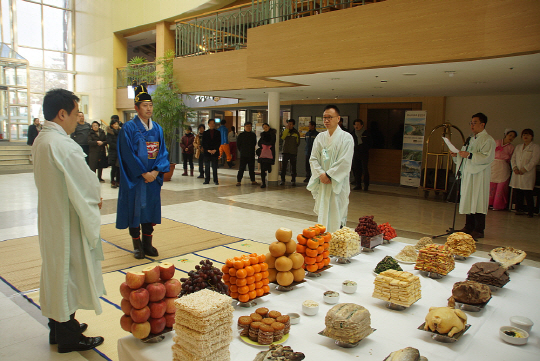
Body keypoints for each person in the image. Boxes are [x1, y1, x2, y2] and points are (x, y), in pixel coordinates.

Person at [32, 88, 104, 353]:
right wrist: (95, 200)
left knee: (55, 270)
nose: (78, 119)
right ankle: (67, 335)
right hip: (67, 218)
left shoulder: (43, 139)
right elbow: (85, 183)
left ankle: (59, 324)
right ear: (62, 114)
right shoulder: (62, 143)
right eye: (75, 113)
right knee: (68, 272)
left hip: (53, 216)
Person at [116, 82, 170, 259]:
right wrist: (142, 173)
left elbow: (162, 152)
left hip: (152, 178)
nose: (149, 108)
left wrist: (155, 172)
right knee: (135, 210)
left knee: (150, 211)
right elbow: (127, 154)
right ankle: (137, 245)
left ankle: (148, 243)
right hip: (136, 178)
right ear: (136, 108)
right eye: (145, 105)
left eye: (150, 105)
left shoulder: (158, 129)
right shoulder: (129, 128)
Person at [307, 105, 354, 232]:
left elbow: (345, 161)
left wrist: (329, 175)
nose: (326, 120)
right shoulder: (320, 137)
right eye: (324, 118)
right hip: (323, 182)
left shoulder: (347, 138)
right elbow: (313, 158)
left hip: (337, 182)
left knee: (337, 210)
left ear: (338, 118)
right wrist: (321, 174)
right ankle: (323, 239)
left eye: (330, 117)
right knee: (323, 212)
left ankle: (336, 240)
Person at [450, 112, 496, 239]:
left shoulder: (488, 140)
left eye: (475, 123)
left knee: (478, 199)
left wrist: (470, 155)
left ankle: (479, 229)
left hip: (479, 175)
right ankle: (468, 226)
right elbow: (465, 155)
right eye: (471, 123)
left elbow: (487, 157)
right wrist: (457, 155)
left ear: (483, 124)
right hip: (469, 174)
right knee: (469, 198)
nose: (472, 125)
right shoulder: (471, 138)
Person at [510, 129, 540, 218]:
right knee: (517, 191)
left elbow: (534, 160)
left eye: (527, 135)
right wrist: (514, 168)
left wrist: (524, 169)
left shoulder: (535, 147)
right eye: (524, 135)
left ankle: (530, 211)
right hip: (517, 172)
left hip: (527, 173)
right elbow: (513, 158)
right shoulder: (518, 146)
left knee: (528, 193)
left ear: (532, 136)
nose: (525, 137)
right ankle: (519, 209)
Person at [489, 129, 517, 210]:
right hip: (493, 165)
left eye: (513, 137)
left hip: (503, 166)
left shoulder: (511, 147)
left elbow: (511, 158)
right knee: (491, 186)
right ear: (506, 134)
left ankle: (498, 205)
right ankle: (488, 203)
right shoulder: (496, 142)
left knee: (501, 187)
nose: (511, 137)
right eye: (510, 135)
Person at [351, 119, 371, 191]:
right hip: (355, 154)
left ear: (362, 125)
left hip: (364, 154)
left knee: (365, 170)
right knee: (356, 169)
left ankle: (366, 185)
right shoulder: (352, 134)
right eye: (355, 124)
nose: (356, 126)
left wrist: (363, 148)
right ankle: (358, 184)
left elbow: (369, 144)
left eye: (358, 124)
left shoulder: (366, 133)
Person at [236, 122, 259, 186]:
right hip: (243, 154)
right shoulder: (241, 135)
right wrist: (242, 151)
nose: (249, 127)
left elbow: (254, 143)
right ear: (244, 127)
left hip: (251, 154)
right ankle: (239, 181)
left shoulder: (253, 135)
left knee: (251, 168)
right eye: (247, 126)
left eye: (250, 126)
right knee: (241, 168)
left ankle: (253, 180)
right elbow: (238, 144)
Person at [280, 119, 300, 186]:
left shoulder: (296, 133)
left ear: (293, 125)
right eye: (288, 124)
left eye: (290, 124)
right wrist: (286, 130)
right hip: (285, 151)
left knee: (293, 167)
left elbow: (298, 142)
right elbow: (282, 137)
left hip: (293, 152)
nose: (289, 125)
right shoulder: (285, 131)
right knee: (284, 167)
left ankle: (293, 180)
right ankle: (282, 180)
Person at [257, 123, 276, 189]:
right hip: (263, 154)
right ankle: (263, 182)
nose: (265, 128)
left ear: (269, 127)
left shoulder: (272, 134)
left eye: (266, 127)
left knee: (268, 167)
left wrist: (264, 143)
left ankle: (268, 168)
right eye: (264, 127)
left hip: (269, 154)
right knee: (262, 169)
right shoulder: (262, 134)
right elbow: (259, 143)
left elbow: (272, 142)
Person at [202, 118, 221, 185]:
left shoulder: (218, 132)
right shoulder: (205, 133)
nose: (212, 125)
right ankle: (207, 180)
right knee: (207, 167)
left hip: (215, 152)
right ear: (208, 124)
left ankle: (216, 180)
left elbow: (219, 142)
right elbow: (203, 143)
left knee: (215, 167)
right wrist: (208, 150)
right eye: (211, 123)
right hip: (207, 152)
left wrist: (215, 149)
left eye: (213, 123)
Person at [107, 119, 121, 188]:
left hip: (119, 152)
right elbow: (110, 142)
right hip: (113, 152)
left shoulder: (120, 132)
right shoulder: (110, 132)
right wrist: (117, 146)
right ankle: (113, 181)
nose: (116, 125)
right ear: (112, 125)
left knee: (119, 168)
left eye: (117, 124)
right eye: (115, 124)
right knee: (114, 168)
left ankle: (118, 181)